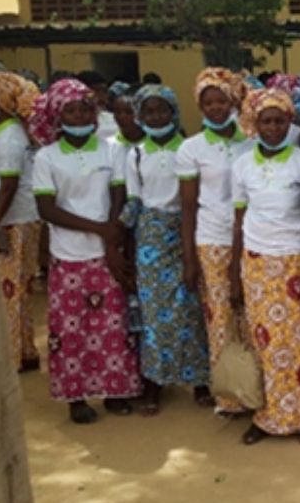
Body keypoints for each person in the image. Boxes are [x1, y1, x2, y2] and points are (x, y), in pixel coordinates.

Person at [28, 79, 141, 423]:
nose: (79, 115)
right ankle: (76, 397)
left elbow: (119, 194)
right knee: (72, 329)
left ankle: (114, 390)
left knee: (111, 324)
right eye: (71, 110)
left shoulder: (111, 150)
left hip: (106, 252)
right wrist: (98, 229)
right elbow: (47, 209)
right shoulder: (46, 157)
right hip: (68, 255)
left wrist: (110, 240)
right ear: (57, 116)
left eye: (85, 109)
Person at [231, 87, 300, 446]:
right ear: (254, 124)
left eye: (279, 121)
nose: (273, 127)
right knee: (267, 342)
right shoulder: (242, 164)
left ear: (289, 123)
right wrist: (234, 270)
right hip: (258, 262)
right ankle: (270, 417)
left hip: (296, 259)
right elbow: (239, 218)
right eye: (266, 121)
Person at [121, 85, 212, 415]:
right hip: (150, 238)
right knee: (154, 314)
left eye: (162, 110)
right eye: (149, 111)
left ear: (173, 112)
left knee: (191, 308)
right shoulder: (134, 154)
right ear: (140, 116)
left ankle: (199, 380)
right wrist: (129, 253)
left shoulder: (188, 149)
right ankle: (155, 382)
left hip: (185, 229)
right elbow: (134, 200)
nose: (156, 117)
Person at [176, 67, 253, 416]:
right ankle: (230, 396)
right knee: (219, 317)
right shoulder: (191, 149)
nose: (215, 107)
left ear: (234, 102)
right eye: (208, 102)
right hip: (212, 240)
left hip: (252, 240)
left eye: (221, 100)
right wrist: (189, 257)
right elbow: (188, 206)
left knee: (252, 315)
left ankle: (255, 388)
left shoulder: (251, 142)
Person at [0, 71, 43, 372]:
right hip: (17, 218)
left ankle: (12, 355)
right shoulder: (4, 132)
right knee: (19, 289)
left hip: (12, 221)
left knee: (10, 291)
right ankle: (26, 349)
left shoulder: (9, 138)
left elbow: (9, 185)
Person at [78, 70, 119, 141]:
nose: (101, 95)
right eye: (96, 90)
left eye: (105, 91)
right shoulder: (71, 123)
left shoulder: (115, 120)